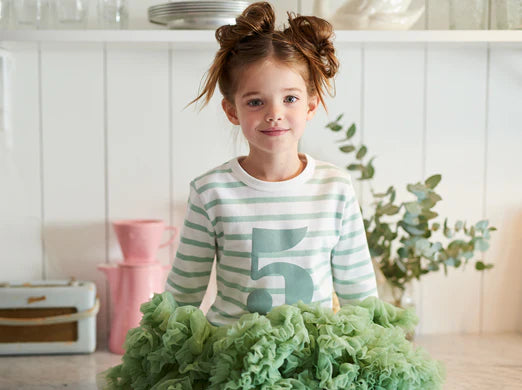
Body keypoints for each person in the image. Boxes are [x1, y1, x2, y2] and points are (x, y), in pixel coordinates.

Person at [165, 1, 378, 326]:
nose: (274, 113)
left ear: (311, 105)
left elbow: (359, 292)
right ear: (232, 111)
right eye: (255, 101)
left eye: (290, 98)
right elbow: (183, 292)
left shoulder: (335, 188)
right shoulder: (211, 192)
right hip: (232, 357)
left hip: (313, 356)